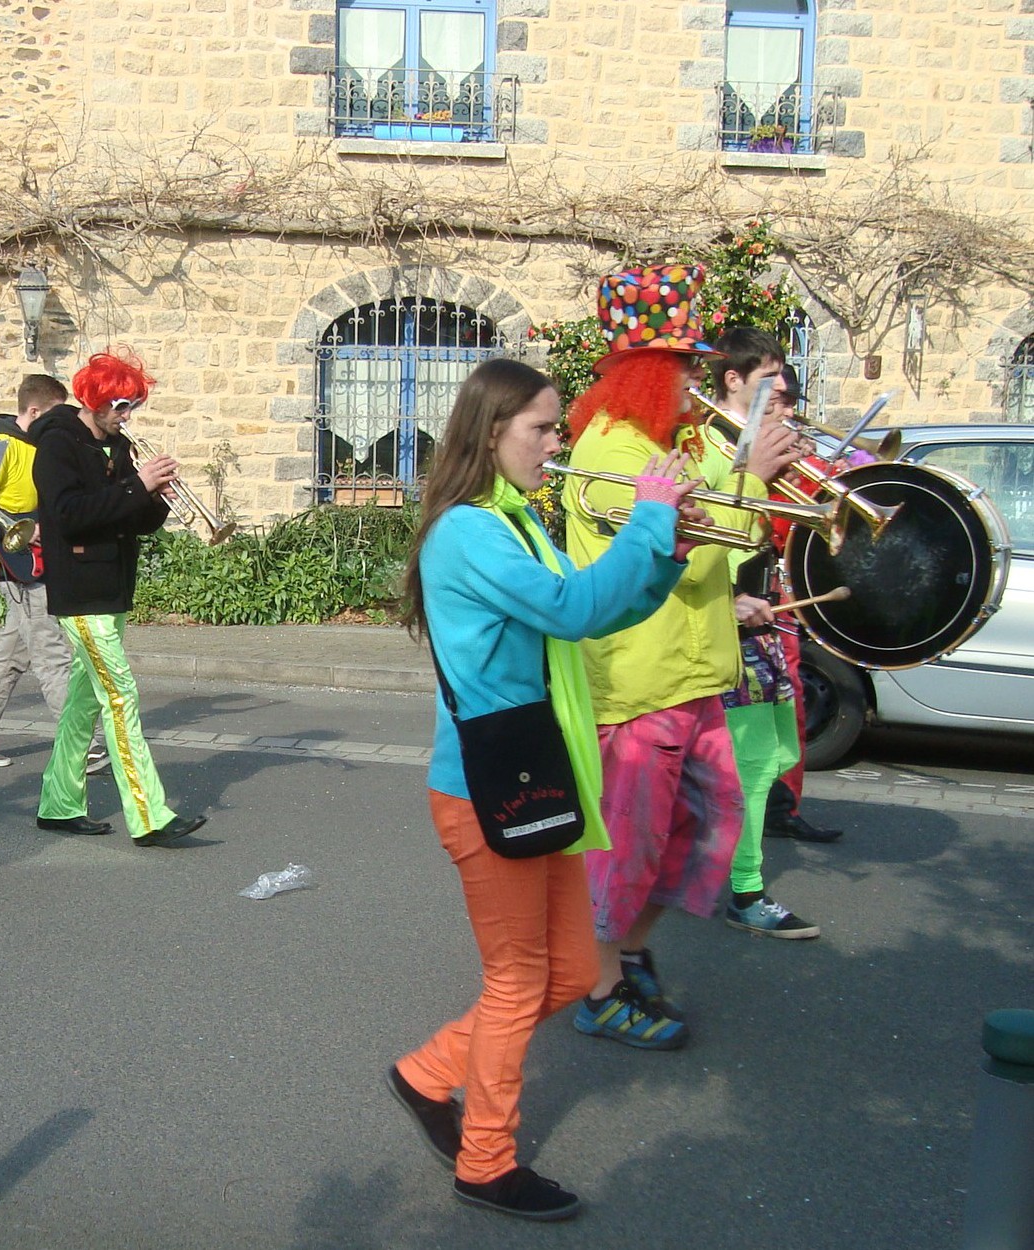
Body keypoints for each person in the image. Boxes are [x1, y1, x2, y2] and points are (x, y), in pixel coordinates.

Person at [387, 357, 700, 1222]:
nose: (556, 443)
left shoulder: (515, 519)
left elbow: (600, 608)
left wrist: (669, 547)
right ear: (492, 432)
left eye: (556, 425)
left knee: (570, 973)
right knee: (520, 980)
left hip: (537, 773)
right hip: (485, 788)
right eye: (542, 428)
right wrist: (648, 518)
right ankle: (486, 1162)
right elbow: (573, 609)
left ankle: (427, 1074)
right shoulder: (469, 531)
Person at [561, 262, 803, 1049]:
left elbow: (721, 551)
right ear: (646, 371)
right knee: (628, 850)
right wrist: (752, 479)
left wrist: (750, 487)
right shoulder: (613, 449)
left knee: (707, 830)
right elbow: (684, 549)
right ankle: (599, 989)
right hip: (639, 683)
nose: (697, 379)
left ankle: (628, 953)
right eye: (685, 366)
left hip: (695, 674)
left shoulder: (675, 442)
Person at [30, 350, 205, 846]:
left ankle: (59, 804)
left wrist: (156, 497)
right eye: (121, 406)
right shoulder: (58, 444)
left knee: (83, 702)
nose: (127, 416)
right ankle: (149, 816)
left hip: (112, 586)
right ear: (95, 401)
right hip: (80, 590)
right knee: (120, 694)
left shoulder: (118, 446)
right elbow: (69, 516)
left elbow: (132, 520)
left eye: (133, 406)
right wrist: (136, 487)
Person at [708, 328, 821, 939]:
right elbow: (701, 533)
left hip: (763, 616)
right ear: (734, 380)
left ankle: (699, 869)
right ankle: (745, 890)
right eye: (768, 378)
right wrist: (726, 600)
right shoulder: (709, 445)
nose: (782, 390)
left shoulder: (757, 440)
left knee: (777, 753)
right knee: (750, 764)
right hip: (728, 619)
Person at [0, 373, 107, 774]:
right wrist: (22, 526)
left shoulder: (46, 446)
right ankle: (84, 745)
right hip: (18, 565)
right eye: (56, 414)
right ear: (35, 411)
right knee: (52, 655)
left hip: (41, 562)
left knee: (12, 656)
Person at [762, 365, 845, 844]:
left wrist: (823, 477)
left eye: (791, 401)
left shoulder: (793, 454)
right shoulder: (730, 446)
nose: (789, 411)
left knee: (787, 702)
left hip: (781, 596)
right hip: (747, 592)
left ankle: (781, 806)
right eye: (779, 401)